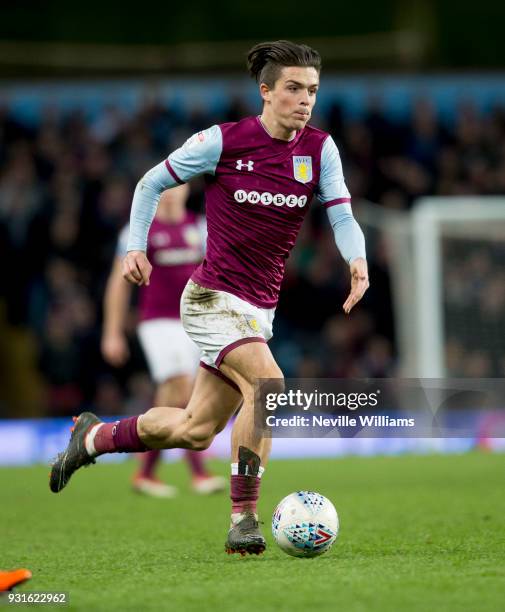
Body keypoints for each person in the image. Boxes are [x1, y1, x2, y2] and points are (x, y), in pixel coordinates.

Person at [50, 40, 369, 556]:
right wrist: (135, 247)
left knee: (195, 429)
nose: (304, 100)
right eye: (292, 88)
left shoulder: (320, 149)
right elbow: (150, 183)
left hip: (258, 312)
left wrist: (357, 258)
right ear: (265, 92)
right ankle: (243, 518)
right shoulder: (223, 141)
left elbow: (341, 213)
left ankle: (93, 438)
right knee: (268, 386)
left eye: (311, 90)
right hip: (211, 298)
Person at [101, 184, 226, 497]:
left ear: (186, 190)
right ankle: (198, 473)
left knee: (175, 395)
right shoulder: (138, 231)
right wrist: (112, 331)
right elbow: (118, 283)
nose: (171, 193)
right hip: (157, 323)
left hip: (195, 323)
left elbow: (219, 275)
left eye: (177, 187)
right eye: (165, 188)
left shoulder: (199, 227)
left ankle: (145, 473)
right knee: (181, 386)